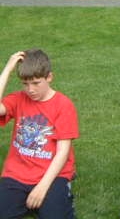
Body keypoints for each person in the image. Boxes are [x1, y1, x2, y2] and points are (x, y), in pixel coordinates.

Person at [0, 49, 79, 219]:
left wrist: (42, 188)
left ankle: (60, 196)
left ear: (49, 77)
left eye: (36, 83)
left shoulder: (63, 105)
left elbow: (62, 153)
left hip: (53, 174)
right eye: (25, 84)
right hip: (17, 174)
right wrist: (7, 69)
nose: (31, 90)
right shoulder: (18, 98)